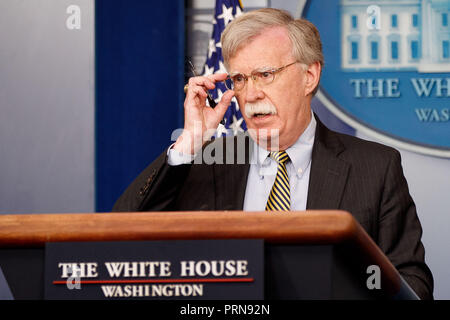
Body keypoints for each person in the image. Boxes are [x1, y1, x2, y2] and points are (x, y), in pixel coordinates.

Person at [113, 8, 433, 299]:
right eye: (239, 79)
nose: (251, 94)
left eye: (265, 74)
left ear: (309, 76)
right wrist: (189, 143)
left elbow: (411, 282)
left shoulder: (375, 167)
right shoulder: (207, 162)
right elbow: (119, 238)